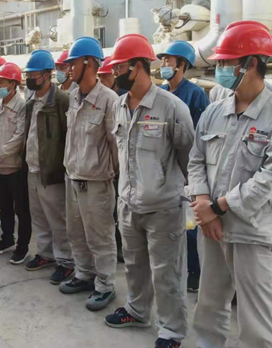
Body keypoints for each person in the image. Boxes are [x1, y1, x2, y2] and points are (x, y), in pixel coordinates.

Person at [188, 21, 272, 348]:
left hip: (254, 233)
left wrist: (218, 207)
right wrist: (202, 202)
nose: (219, 68)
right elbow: (196, 159)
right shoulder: (214, 112)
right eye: (219, 62)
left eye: (226, 62)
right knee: (209, 307)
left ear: (251, 64)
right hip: (212, 229)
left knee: (259, 322)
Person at [104, 34, 194, 348]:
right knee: (135, 265)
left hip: (164, 208)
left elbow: (189, 158)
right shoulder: (119, 105)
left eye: (119, 68)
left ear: (138, 67)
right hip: (129, 203)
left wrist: (188, 199)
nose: (115, 73)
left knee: (167, 272)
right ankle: (137, 310)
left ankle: (171, 331)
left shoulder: (172, 108)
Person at [58, 37, 119, 313]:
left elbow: (116, 146)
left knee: (100, 236)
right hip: (72, 176)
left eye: (73, 63)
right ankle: (84, 274)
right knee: (76, 231)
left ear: (90, 64)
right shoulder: (73, 96)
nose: (69, 69)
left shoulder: (109, 100)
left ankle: (105, 285)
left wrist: (108, 174)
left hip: (96, 183)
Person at [157, 40, 209, 294]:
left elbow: (202, 135)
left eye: (169, 60)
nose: (164, 64)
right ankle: (174, 269)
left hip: (188, 170)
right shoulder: (160, 92)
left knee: (190, 226)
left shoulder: (195, 94)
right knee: (166, 225)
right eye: (163, 60)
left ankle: (195, 272)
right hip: (164, 168)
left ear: (182, 65)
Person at [23, 50, 75, 284]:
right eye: (28, 74)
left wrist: (61, 169)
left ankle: (66, 261)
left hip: (51, 171)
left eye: (33, 74)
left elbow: (67, 138)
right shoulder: (31, 102)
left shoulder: (62, 101)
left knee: (58, 218)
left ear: (46, 75)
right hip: (33, 168)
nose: (29, 78)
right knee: (39, 216)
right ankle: (46, 253)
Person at [0, 62, 31, 263]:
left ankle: (22, 247)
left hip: (13, 167)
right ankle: (7, 239)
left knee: (21, 210)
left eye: (2, 82)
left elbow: (19, 137)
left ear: (13, 84)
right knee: (4, 207)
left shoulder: (21, 107)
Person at [98, 56, 126, 263]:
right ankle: (116, 245)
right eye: (99, 76)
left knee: (120, 209)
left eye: (105, 76)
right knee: (111, 212)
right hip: (109, 166)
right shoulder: (104, 99)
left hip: (120, 166)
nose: (101, 80)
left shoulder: (122, 98)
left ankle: (121, 246)